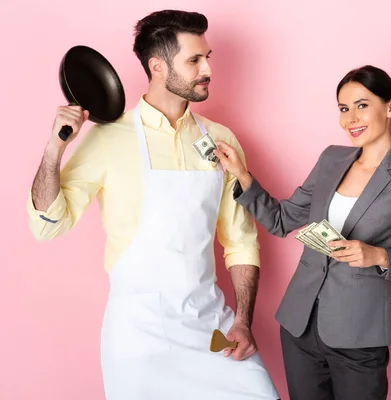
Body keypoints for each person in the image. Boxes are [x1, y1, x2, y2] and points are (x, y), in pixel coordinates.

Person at [26, 10, 279, 400]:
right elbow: (47, 225)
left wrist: (242, 320)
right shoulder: (109, 138)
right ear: (157, 66)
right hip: (137, 334)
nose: (208, 68)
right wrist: (54, 148)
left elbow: (241, 241)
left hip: (208, 323)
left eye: (207, 56)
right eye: (194, 60)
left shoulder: (220, 139)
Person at [214, 65, 391, 400]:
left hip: (359, 337)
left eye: (362, 105)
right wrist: (241, 175)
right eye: (343, 108)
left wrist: (378, 255)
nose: (351, 118)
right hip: (300, 325)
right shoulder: (331, 160)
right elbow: (282, 219)